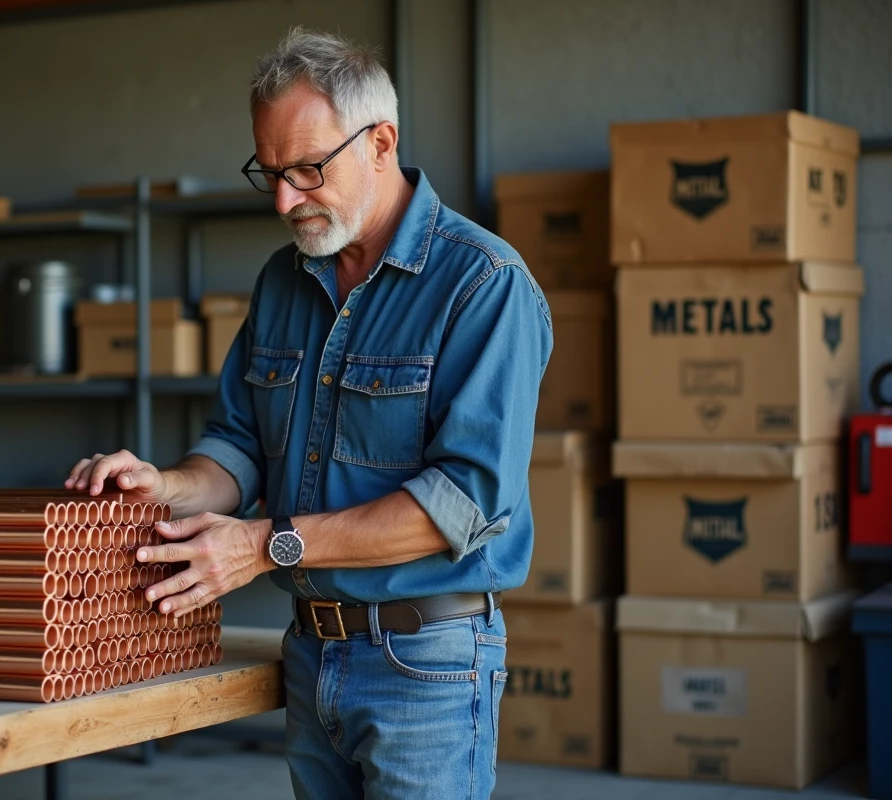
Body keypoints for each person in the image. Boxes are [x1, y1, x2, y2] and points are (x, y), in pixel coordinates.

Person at [66, 26, 553, 799]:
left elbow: (462, 504)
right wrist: (162, 486)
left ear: (382, 142)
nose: (287, 199)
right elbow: (237, 448)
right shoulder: (282, 282)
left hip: (423, 661)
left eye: (306, 170)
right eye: (270, 173)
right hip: (311, 654)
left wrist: (267, 547)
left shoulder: (482, 284)